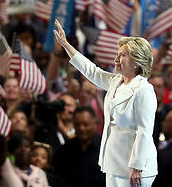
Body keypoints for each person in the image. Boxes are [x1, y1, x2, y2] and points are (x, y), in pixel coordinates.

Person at [53, 19, 157, 186]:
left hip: (135, 167)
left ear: (137, 62)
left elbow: (145, 131)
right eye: (118, 54)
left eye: (122, 55)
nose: (116, 59)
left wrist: (137, 167)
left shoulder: (144, 89)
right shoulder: (116, 81)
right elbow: (91, 71)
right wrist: (66, 45)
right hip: (113, 162)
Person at [53, 106, 105, 186]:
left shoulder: (105, 149)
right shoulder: (64, 150)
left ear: (94, 123)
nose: (81, 128)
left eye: (86, 124)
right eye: (77, 124)